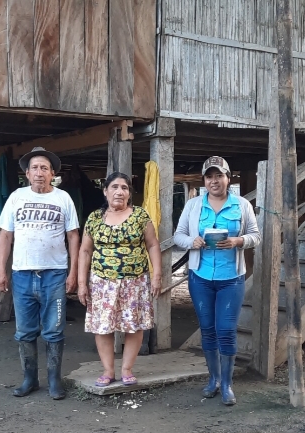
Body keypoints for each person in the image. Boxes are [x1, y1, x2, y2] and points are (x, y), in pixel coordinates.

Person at [172, 156, 261, 406]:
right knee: (208, 329)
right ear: (204, 180)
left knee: (226, 330)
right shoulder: (193, 206)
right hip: (200, 277)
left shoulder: (242, 205)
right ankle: (214, 379)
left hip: (231, 278)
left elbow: (256, 235)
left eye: (219, 176)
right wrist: (192, 242)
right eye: (209, 176)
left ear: (228, 179)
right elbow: (179, 235)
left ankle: (227, 384)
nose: (214, 181)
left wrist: (238, 241)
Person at [0, 147, 80, 400]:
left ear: (53, 173)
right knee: (25, 331)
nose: (39, 172)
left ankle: (54, 380)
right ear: (27, 173)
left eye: (45, 168)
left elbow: (73, 236)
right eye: (35, 168)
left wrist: (73, 272)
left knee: (54, 330)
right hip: (22, 273)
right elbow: (5, 235)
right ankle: (29, 379)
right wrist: (1, 271)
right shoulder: (16, 197)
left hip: (54, 274)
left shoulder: (63, 198)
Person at [77, 172, 162, 387]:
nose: (119, 192)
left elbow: (152, 244)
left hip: (135, 282)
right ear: (105, 191)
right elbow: (85, 251)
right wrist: (81, 283)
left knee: (134, 325)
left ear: (129, 193)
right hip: (102, 283)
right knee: (102, 326)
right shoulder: (94, 218)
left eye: (124, 188)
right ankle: (108, 371)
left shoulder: (140, 216)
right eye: (114, 187)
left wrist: (157, 276)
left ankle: (126, 369)